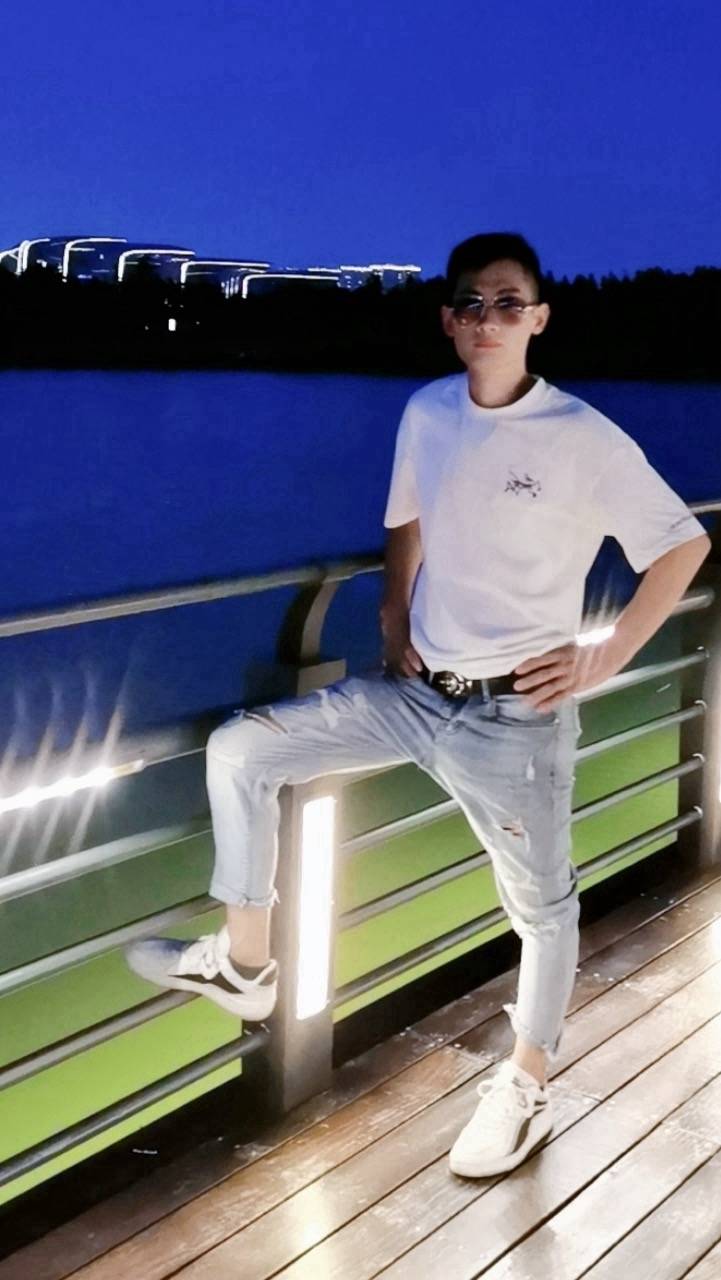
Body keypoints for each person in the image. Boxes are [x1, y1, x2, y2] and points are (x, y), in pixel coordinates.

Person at [126, 231, 711, 1179]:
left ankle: (525, 1085)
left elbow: (682, 546)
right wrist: (394, 611)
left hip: (513, 719)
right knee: (243, 750)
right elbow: (407, 517)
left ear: (538, 318)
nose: (488, 318)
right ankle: (245, 962)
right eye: (471, 303)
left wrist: (605, 655)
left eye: (508, 302)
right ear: (448, 320)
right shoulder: (428, 412)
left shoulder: (582, 437)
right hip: (413, 691)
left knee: (541, 910)